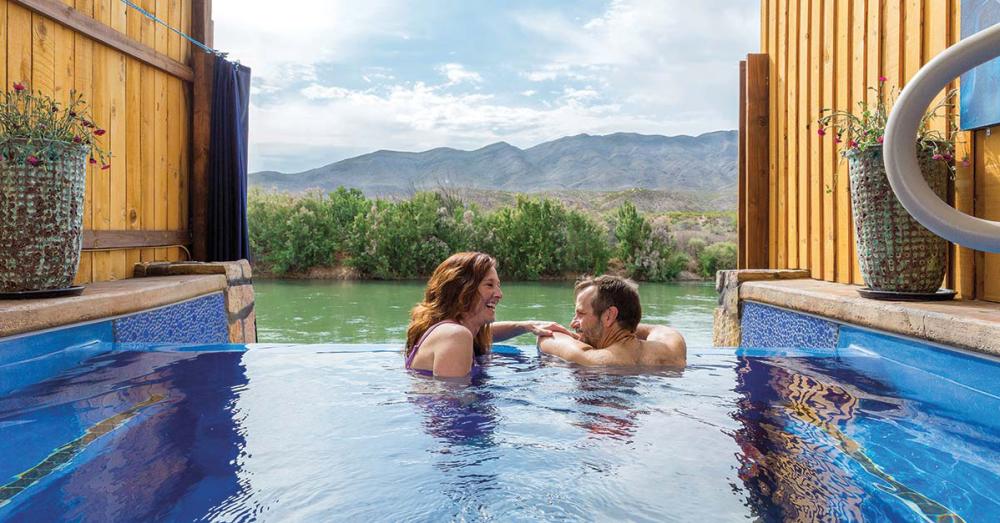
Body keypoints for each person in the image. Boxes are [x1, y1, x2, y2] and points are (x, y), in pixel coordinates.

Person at [405, 251, 570, 378]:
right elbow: (452, 407)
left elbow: (488, 333)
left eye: (498, 285)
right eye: (489, 285)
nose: (499, 294)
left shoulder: (451, 331)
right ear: (462, 290)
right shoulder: (456, 335)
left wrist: (526, 326)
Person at [537, 275, 687, 367]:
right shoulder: (673, 349)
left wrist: (583, 333)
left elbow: (545, 335)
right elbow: (659, 329)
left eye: (581, 314)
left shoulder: (591, 359)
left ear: (609, 316)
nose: (573, 323)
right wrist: (622, 325)